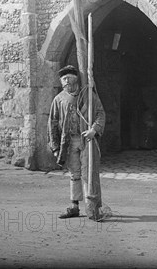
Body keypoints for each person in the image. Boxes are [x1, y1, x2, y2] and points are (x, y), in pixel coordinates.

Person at [48, 65, 105, 220]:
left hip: (87, 140)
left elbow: (100, 113)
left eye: (69, 78)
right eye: (64, 79)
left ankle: (91, 207)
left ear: (76, 79)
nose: (67, 82)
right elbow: (52, 123)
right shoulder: (59, 99)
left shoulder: (88, 95)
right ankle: (74, 206)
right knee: (74, 173)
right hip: (70, 141)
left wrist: (94, 129)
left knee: (89, 172)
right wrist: (55, 147)